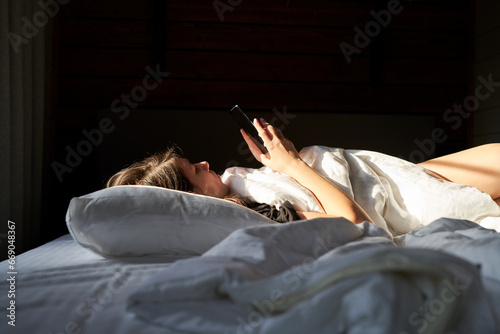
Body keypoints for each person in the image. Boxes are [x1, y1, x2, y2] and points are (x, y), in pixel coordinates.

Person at [107, 118, 500, 224]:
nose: (206, 163)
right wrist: (292, 164)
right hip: (403, 198)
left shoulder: (237, 184)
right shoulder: (256, 213)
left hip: (388, 175)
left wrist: (287, 160)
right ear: (195, 199)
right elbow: (349, 219)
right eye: (196, 170)